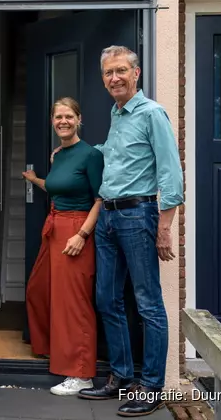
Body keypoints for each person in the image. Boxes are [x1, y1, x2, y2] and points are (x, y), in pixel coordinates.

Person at [76, 46, 183, 417]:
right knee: (107, 298)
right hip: (107, 216)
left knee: (148, 303)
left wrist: (165, 227)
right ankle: (120, 377)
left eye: (121, 70)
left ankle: (152, 386)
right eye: (108, 73)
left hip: (139, 216)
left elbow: (171, 172)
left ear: (136, 73)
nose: (114, 78)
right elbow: (119, 153)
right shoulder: (117, 114)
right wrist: (78, 150)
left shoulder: (152, 114)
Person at [22, 97, 104, 396]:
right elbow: (58, 187)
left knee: (75, 303)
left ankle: (80, 374)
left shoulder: (90, 155)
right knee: (38, 290)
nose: (63, 121)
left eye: (68, 116)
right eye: (58, 117)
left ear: (78, 119)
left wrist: (82, 235)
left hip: (76, 230)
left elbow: (99, 199)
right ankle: (55, 350)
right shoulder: (59, 155)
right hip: (54, 227)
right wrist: (35, 180)